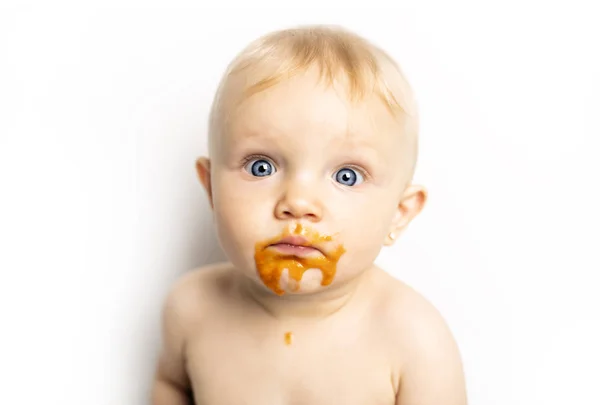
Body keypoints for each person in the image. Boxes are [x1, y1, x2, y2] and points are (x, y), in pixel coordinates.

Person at [152, 24, 468, 405]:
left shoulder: (413, 338)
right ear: (212, 191)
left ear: (399, 214)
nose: (298, 203)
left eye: (346, 176)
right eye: (261, 167)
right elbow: (171, 385)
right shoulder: (192, 308)